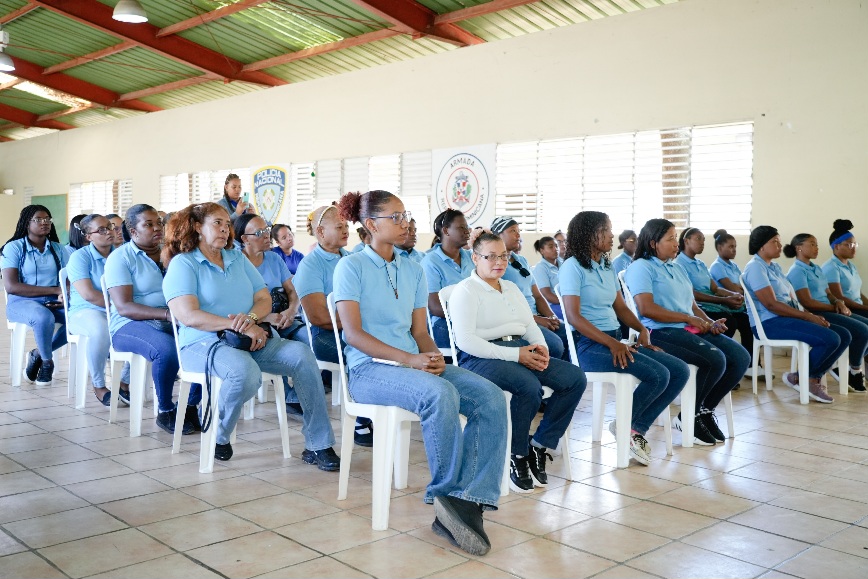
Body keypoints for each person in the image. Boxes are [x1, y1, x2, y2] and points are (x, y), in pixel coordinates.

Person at [334, 190, 506, 556]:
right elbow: (353, 334)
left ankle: (469, 497)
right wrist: (411, 361)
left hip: (412, 365)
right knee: (439, 394)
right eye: (395, 217)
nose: (405, 223)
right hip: (369, 371)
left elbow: (419, 331)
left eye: (405, 215)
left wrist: (431, 356)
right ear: (370, 225)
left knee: (489, 397)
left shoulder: (412, 267)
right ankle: (445, 497)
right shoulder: (350, 267)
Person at [163, 203, 339, 467]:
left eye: (226, 223)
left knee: (301, 354)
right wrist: (236, 324)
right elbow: (188, 315)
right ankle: (218, 434)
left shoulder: (236, 258)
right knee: (244, 373)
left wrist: (252, 319)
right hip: (201, 344)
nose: (224, 229)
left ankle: (319, 444)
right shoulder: (184, 264)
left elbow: (263, 297)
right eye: (217, 224)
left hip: (249, 337)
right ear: (198, 228)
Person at [451, 232, 584, 492]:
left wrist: (541, 349)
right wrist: (517, 355)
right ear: (475, 258)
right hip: (480, 356)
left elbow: (528, 326)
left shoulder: (510, 287)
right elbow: (465, 341)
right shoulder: (465, 291)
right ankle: (517, 454)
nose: (499, 262)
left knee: (574, 379)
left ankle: (539, 445)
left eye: (503, 256)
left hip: (518, 348)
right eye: (490, 256)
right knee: (528, 386)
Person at [560, 212, 689, 465]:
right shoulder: (571, 267)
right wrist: (612, 344)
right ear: (589, 234)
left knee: (679, 370)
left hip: (615, 341)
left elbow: (620, 307)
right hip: (588, 346)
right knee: (658, 374)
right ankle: (631, 428)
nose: (612, 235)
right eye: (606, 230)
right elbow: (574, 318)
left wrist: (641, 329)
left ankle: (629, 426)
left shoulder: (606, 266)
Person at [623, 219, 750, 444]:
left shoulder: (676, 266)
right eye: (670, 239)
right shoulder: (641, 267)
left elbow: (692, 305)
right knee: (715, 359)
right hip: (660, 331)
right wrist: (687, 318)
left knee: (740, 357)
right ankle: (689, 416)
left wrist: (710, 323)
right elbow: (646, 308)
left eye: (676, 237)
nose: (676, 243)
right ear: (653, 243)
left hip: (687, 327)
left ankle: (702, 411)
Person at [104, 204, 201, 434]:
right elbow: (124, 307)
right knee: (166, 350)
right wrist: (168, 315)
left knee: (205, 342)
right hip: (129, 325)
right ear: (132, 230)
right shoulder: (120, 258)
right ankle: (165, 411)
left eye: (159, 223)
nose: (157, 228)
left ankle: (189, 406)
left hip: (173, 319)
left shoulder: (174, 255)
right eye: (149, 224)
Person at [292, 205, 373, 446]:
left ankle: (376, 404)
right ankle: (361, 415)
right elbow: (318, 316)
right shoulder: (311, 265)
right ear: (320, 231)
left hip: (354, 329)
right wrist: (357, 326)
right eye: (339, 226)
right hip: (325, 335)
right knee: (365, 350)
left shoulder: (353, 259)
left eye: (346, 226)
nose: (345, 230)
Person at [742, 225, 849, 403]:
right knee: (831, 339)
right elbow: (771, 304)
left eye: (779, 240)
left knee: (843, 335)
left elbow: (790, 300)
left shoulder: (774, 267)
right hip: (769, 323)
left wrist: (808, 313)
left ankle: (803, 377)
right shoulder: (755, 268)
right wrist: (807, 316)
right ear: (761, 246)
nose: (780, 245)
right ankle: (808, 379)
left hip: (786, 318)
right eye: (774, 242)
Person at [785, 233, 868, 392]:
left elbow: (828, 292)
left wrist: (837, 302)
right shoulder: (797, 271)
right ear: (799, 248)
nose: (817, 248)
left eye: (816, 244)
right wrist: (834, 307)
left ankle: (839, 363)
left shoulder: (815, 267)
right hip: (817, 312)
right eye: (812, 244)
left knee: (865, 328)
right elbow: (807, 302)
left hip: (829, 309)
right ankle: (854, 370)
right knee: (863, 331)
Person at [66, 214, 131, 405]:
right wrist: (122, 306)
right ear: (88, 236)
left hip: (116, 309)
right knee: (100, 329)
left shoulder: (122, 253)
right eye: (101, 230)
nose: (109, 232)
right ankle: (99, 385)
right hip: (85, 311)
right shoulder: (80, 257)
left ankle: (124, 382)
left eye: (110, 227)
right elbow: (88, 295)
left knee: (141, 327)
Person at [1, 204, 68, 386]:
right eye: (38, 219)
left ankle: (38, 353)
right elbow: (12, 286)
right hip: (21, 302)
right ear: (26, 223)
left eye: (47, 219)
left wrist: (65, 294)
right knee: (42, 316)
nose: (44, 223)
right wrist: (55, 290)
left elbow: (68, 279)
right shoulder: (13, 248)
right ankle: (47, 362)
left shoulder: (59, 249)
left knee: (77, 318)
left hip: (54, 301)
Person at [676, 227, 753, 380]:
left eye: (704, 239)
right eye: (698, 239)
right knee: (728, 321)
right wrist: (725, 300)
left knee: (745, 320)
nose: (702, 243)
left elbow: (715, 288)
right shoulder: (679, 264)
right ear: (686, 241)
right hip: (697, 306)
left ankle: (745, 366)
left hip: (713, 302)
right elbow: (693, 294)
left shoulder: (701, 264)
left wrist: (734, 295)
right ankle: (719, 365)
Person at [492, 217, 569, 360]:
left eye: (518, 231)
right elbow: (504, 304)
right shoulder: (495, 264)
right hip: (518, 321)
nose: (518, 235)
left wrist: (551, 317)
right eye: (512, 231)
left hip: (536, 316)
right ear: (498, 235)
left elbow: (538, 296)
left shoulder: (522, 260)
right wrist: (538, 320)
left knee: (571, 333)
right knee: (556, 343)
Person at [422, 209, 473, 349]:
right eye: (461, 227)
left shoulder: (471, 257)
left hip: (473, 320)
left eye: (467, 227)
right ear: (446, 231)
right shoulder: (430, 262)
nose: (467, 231)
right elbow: (435, 307)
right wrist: (473, 315)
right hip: (445, 324)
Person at [823, 219, 868, 318]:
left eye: (855, 244)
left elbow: (858, 293)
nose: (854, 248)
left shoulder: (851, 266)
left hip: (859, 308)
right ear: (837, 246)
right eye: (850, 244)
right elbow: (838, 297)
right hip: (848, 310)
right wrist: (864, 308)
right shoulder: (831, 267)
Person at [531, 236, 562, 319]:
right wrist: (567, 302)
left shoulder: (564, 263)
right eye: (551, 247)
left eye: (556, 246)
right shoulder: (540, 268)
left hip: (568, 301)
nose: (555, 249)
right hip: (553, 305)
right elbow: (546, 294)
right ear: (542, 250)